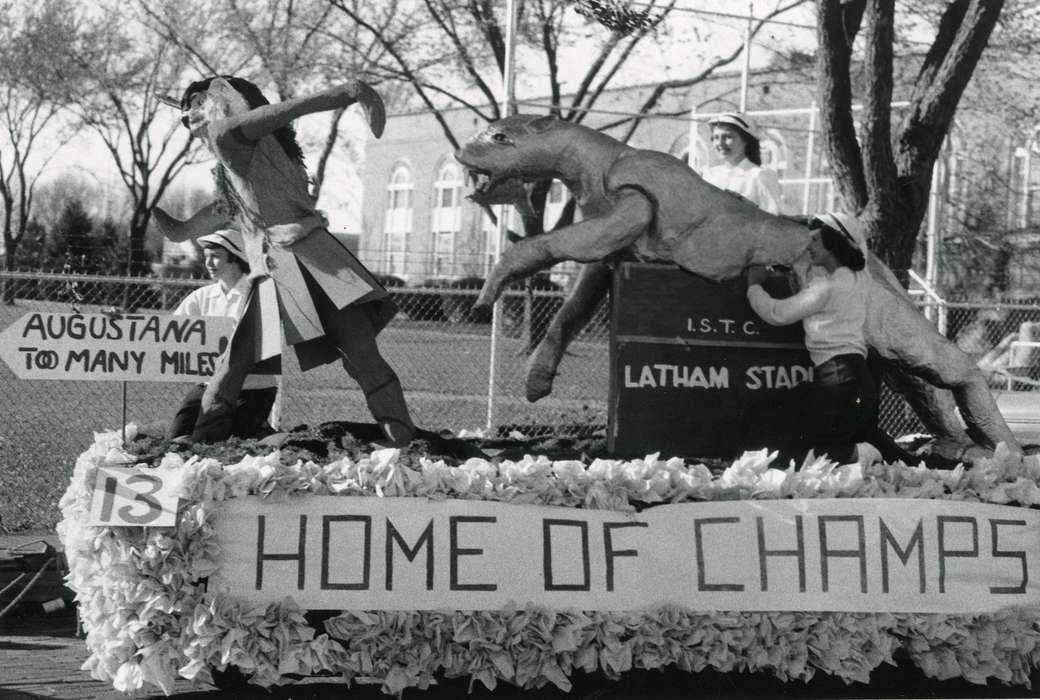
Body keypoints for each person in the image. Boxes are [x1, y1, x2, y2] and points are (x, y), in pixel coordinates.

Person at [153, 76, 415, 446]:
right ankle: (404, 441)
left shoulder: (230, 132)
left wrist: (352, 92)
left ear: (223, 99)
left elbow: (290, 109)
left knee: (236, 365)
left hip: (295, 261)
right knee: (359, 357)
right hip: (309, 259)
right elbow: (229, 206)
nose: (190, 118)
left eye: (196, 104)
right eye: (185, 113)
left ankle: (199, 446)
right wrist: (182, 231)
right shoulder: (250, 153)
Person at [745, 212, 880, 465]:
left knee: (806, 450)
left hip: (838, 377)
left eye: (816, 242)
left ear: (833, 245)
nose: (810, 247)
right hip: (856, 376)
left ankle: (867, 454)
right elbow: (849, 247)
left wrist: (755, 286)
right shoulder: (861, 278)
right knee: (808, 440)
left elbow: (777, 313)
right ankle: (867, 453)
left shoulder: (825, 287)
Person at [170, 228, 280, 440]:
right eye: (207, 257)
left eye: (216, 257)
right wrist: (125, 322)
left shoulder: (261, 294)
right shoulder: (201, 297)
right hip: (208, 386)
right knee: (177, 438)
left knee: (228, 443)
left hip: (254, 388)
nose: (209, 263)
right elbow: (168, 332)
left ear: (235, 257)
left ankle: (264, 433)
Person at [702, 112, 783, 215]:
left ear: (746, 140)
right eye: (716, 138)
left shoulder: (760, 176)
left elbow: (775, 218)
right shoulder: (710, 176)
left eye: (727, 137)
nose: (720, 143)